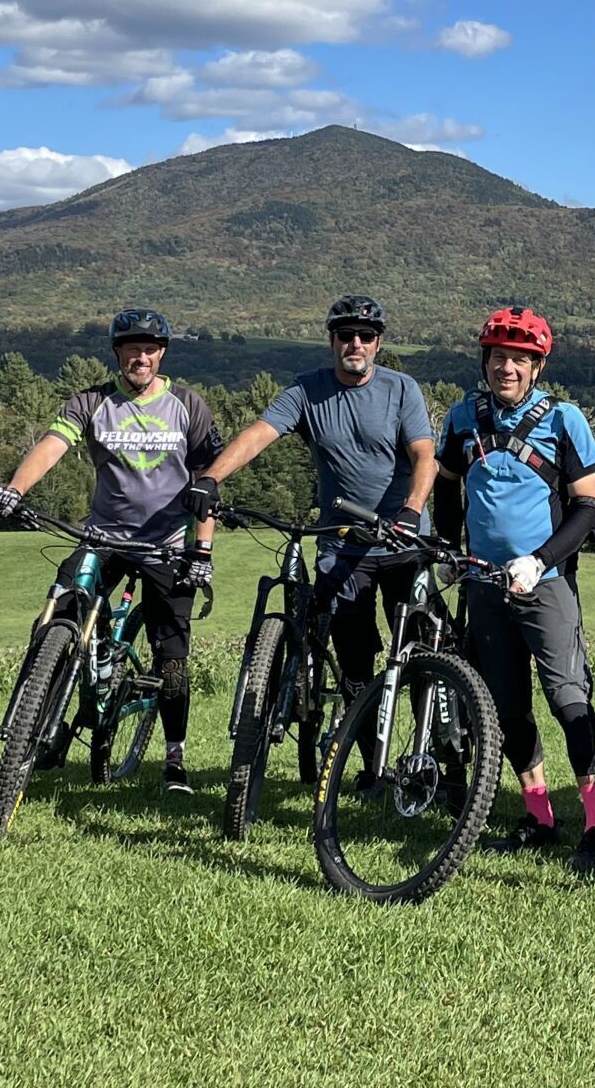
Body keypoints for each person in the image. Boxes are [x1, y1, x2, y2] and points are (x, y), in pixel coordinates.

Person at [182, 295, 436, 787]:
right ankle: (370, 768)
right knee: (357, 662)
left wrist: (411, 508)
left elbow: (424, 455)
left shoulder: (401, 388)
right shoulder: (307, 391)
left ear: (378, 344)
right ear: (332, 342)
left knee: (421, 655)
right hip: (343, 543)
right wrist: (211, 479)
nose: (355, 344)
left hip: (402, 538)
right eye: (346, 335)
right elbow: (259, 434)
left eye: (365, 336)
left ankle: (435, 761)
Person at [0, 309, 222, 795]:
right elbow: (53, 444)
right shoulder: (92, 402)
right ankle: (41, 723)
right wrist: (15, 488)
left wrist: (203, 549)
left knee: (172, 658)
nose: (141, 356)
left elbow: (207, 482)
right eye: (132, 348)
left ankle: (175, 758)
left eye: (150, 348)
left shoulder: (187, 405)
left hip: (166, 544)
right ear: (117, 353)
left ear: (162, 354)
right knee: (58, 614)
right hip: (102, 536)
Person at [435, 306, 595, 874]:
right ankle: (539, 818)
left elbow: (587, 508)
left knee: (569, 700)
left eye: (518, 359)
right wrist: (446, 551)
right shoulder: (464, 415)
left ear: (537, 366)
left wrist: (539, 562)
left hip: (546, 584)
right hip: (483, 586)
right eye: (497, 357)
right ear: (484, 361)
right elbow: (446, 488)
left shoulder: (565, 419)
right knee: (508, 708)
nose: (506, 367)